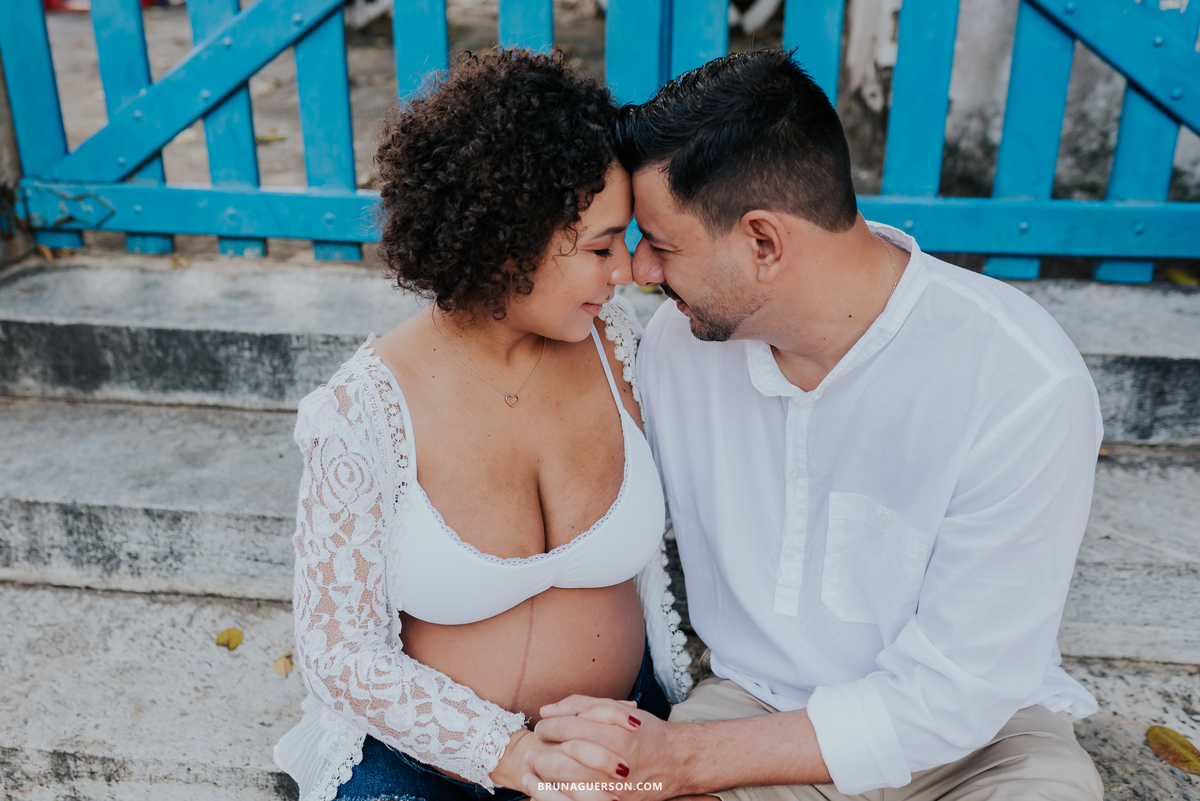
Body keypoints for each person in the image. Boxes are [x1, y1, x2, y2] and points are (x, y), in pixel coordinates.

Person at [526, 50, 1105, 801]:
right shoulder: (676, 346)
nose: (639, 271)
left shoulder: (1022, 379)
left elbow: (961, 690)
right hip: (754, 709)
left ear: (763, 242)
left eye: (663, 246)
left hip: (983, 740)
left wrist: (691, 761)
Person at [272, 49, 691, 801]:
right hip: (417, 764)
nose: (624, 272)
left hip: (616, 741)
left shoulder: (617, 343)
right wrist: (506, 751)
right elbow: (338, 651)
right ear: (507, 246)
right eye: (600, 248)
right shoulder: (363, 410)